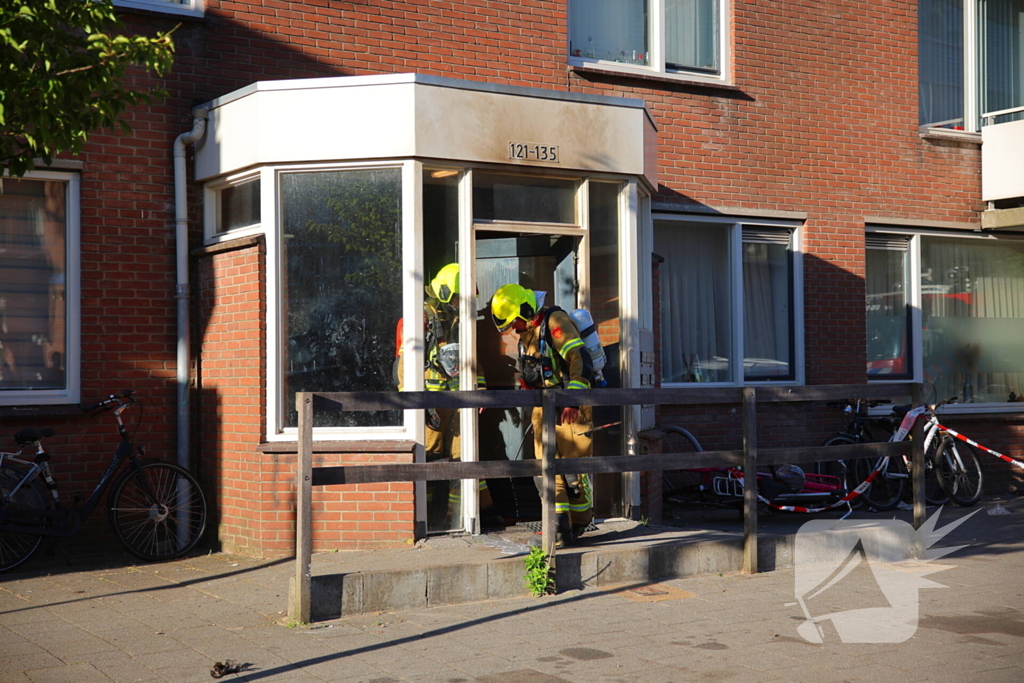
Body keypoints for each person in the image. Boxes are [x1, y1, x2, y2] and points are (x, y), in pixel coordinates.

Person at [489, 283, 594, 547]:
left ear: (526, 311)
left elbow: (579, 358)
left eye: (515, 323)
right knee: (543, 471)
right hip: (542, 409)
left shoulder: (555, 322)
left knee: (572, 474)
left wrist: (572, 399)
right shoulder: (530, 331)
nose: (514, 329)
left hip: (569, 410)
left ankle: (579, 523)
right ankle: (556, 530)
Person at [396, 264, 494, 529]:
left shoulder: (459, 319)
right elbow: (405, 363)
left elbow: (471, 359)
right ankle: (427, 517)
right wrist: (417, 402)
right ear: (444, 291)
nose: (462, 303)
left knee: (464, 455)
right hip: (432, 404)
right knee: (429, 457)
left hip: (459, 400)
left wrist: (480, 388)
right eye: (458, 298)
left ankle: (469, 513)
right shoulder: (422, 317)